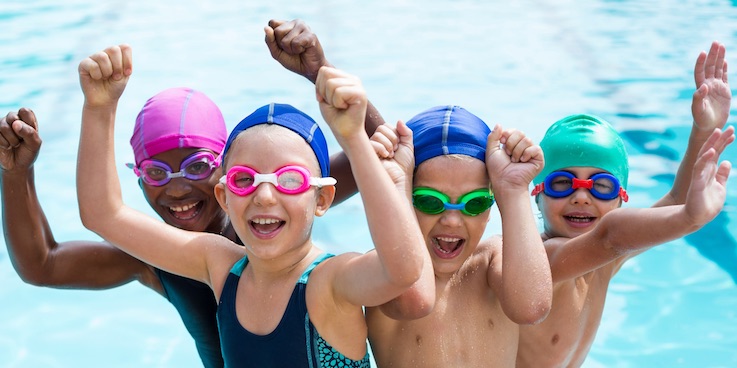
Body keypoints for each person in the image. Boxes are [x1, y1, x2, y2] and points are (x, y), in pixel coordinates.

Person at [0, 19, 385, 368]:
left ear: (227, 172)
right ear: (137, 179)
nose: (177, 187)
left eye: (198, 166)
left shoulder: (273, 203)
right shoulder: (158, 255)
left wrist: (320, 73)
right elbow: (44, 263)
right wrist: (16, 175)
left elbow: (387, 162)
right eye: (155, 172)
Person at [76, 41, 428, 367]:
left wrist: (354, 141)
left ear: (321, 199)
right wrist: (99, 107)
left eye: (289, 180)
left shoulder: (331, 282)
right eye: (245, 179)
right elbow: (103, 214)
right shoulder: (219, 265)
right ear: (224, 198)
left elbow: (402, 269)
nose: (264, 195)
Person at [515, 41, 733, 367]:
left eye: (601, 187)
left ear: (621, 199)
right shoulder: (537, 262)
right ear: (538, 193)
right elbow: (612, 236)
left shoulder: (602, 261)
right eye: (563, 183)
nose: (581, 196)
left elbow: (677, 199)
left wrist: (704, 129)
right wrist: (689, 218)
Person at [365, 105, 554, 367]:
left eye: (474, 203)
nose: (452, 219)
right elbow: (416, 301)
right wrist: (395, 186)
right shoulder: (381, 268)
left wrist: (513, 190)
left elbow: (532, 308)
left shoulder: (492, 261)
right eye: (430, 201)